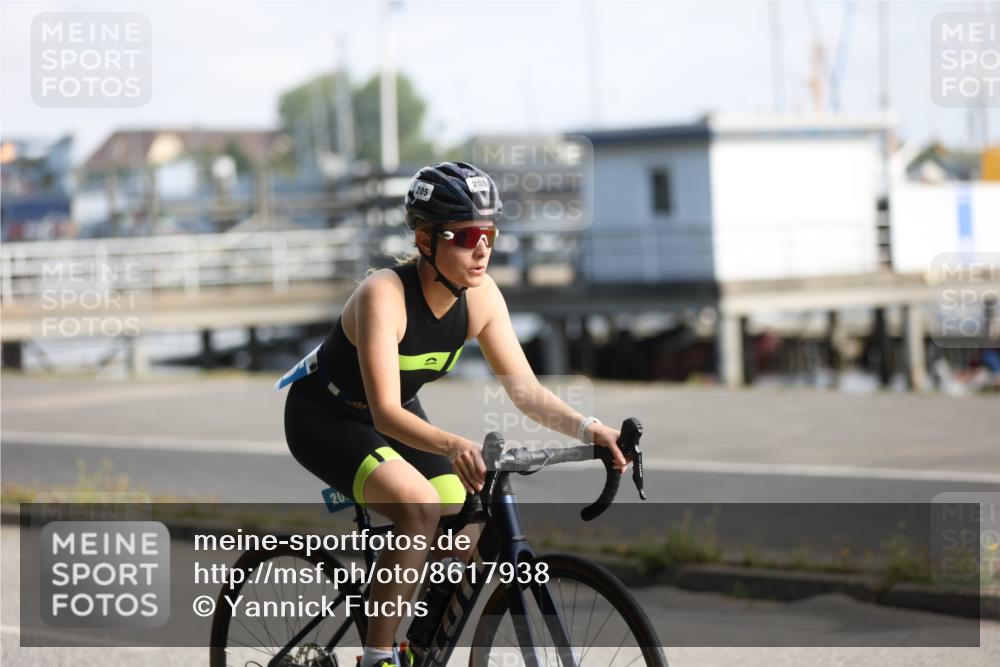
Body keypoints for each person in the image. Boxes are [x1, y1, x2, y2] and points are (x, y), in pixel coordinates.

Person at [281, 161, 630, 667]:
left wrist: (590, 429)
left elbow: (526, 390)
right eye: (466, 235)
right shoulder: (385, 294)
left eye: (488, 233)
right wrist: (453, 444)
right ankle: (377, 657)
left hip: (396, 416)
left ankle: (418, 642)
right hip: (326, 416)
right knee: (421, 505)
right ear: (426, 239)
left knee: (466, 513)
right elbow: (383, 411)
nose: (482, 247)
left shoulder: (482, 298)